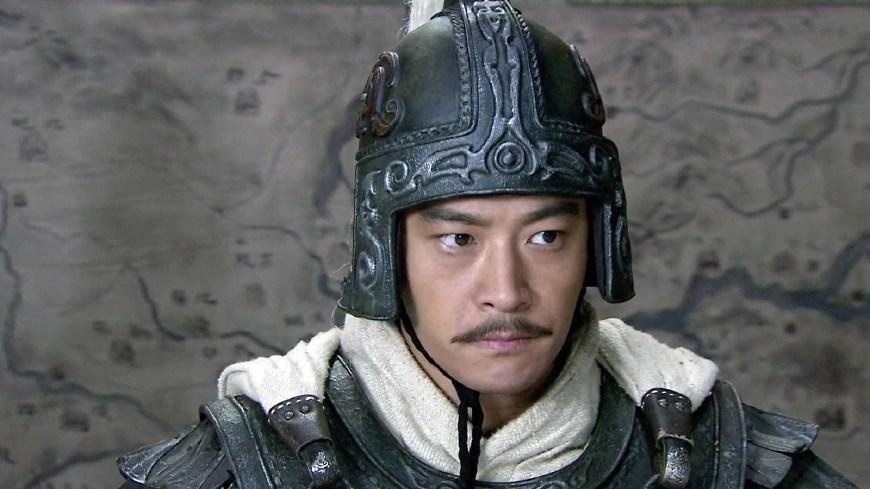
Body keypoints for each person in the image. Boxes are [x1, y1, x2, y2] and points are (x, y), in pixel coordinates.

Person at [117, 1, 857, 488]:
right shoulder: (248, 466)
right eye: (457, 238)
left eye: (546, 235)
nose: (506, 289)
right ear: (387, 249)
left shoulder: (719, 456)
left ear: (595, 243)